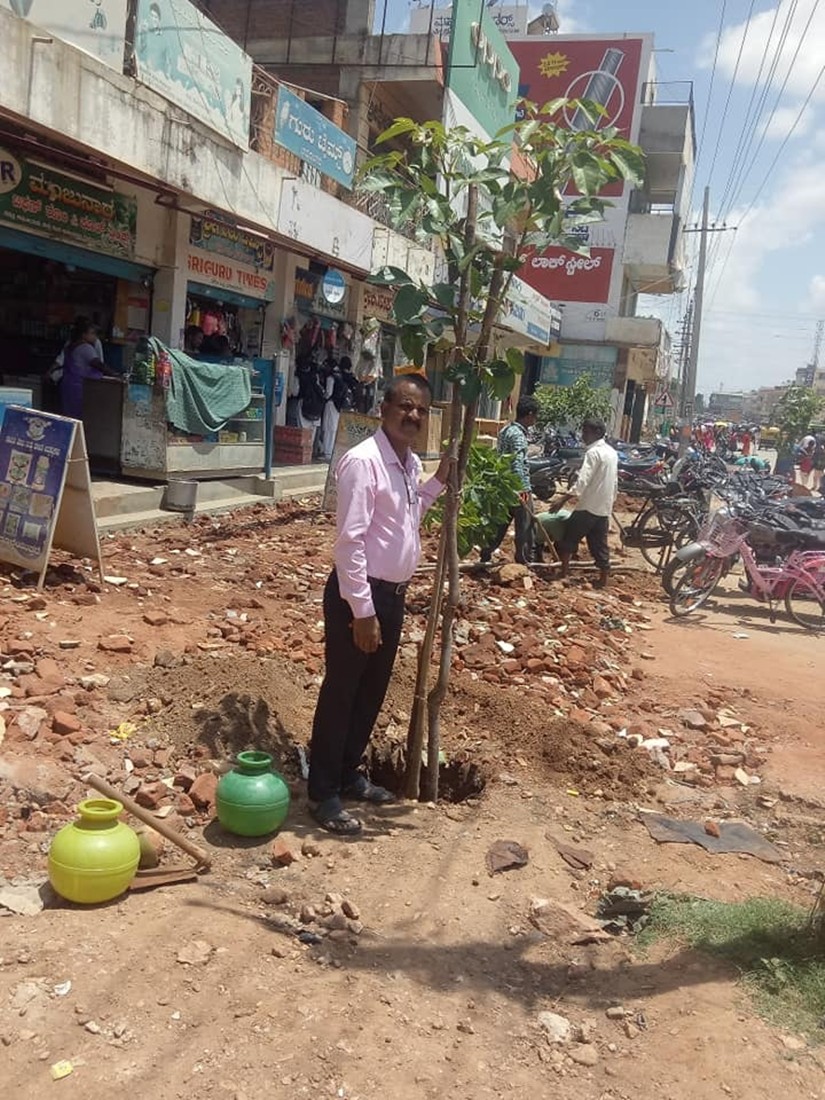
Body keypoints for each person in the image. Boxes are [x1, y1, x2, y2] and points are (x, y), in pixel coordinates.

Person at [308, 375, 449, 835]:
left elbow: (407, 518)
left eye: (420, 410)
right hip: (360, 596)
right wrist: (363, 612)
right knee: (342, 691)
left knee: (371, 691)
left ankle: (348, 773)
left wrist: (438, 483)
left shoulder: (408, 464)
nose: (413, 416)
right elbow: (349, 543)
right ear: (384, 408)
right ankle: (323, 792)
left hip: (392, 596)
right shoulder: (363, 462)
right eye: (405, 406)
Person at [558, 417, 618, 588]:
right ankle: (603, 579)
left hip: (588, 506)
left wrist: (563, 499)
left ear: (597, 433)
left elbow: (583, 480)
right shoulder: (612, 453)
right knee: (599, 544)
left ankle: (563, 573)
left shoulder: (593, 453)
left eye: (586, 432)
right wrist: (611, 501)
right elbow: (614, 482)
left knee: (568, 539)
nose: (583, 435)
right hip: (603, 507)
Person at [480, 395, 539, 565]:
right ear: (529, 414)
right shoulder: (518, 435)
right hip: (521, 489)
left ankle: (486, 554)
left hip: (503, 487)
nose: (535, 420)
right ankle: (524, 560)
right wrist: (520, 490)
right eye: (535, 416)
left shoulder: (506, 430)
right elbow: (517, 462)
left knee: (500, 523)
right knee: (526, 525)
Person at [60, 320, 120, 420]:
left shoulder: (71, 346)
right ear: (84, 335)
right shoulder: (85, 348)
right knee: (80, 416)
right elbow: (98, 364)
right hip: (80, 388)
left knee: (70, 416)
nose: (95, 337)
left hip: (68, 386)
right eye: (92, 333)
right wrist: (115, 374)